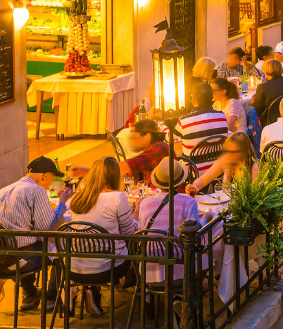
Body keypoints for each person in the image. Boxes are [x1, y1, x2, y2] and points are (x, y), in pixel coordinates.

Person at [0, 157, 73, 311]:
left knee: (23, 242)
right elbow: (47, 227)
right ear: (45, 176)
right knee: (61, 246)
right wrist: (62, 202)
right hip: (20, 259)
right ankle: (51, 298)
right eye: (53, 178)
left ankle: (29, 294)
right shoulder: (36, 190)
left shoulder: (3, 190)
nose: (52, 184)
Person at [65, 157, 136, 316]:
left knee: (98, 247)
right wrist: (136, 217)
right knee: (133, 249)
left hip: (75, 267)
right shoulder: (118, 197)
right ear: (114, 176)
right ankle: (142, 295)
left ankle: (92, 289)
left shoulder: (78, 196)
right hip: (108, 268)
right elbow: (128, 234)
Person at [135, 158, 203, 286]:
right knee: (207, 257)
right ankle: (192, 296)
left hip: (149, 275)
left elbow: (141, 235)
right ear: (181, 183)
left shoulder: (145, 204)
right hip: (182, 274)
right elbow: (196, 235)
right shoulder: (189, 202)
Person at [174, 82, 230, 171]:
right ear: (212, 98)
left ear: (194, 99)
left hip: (193, 173)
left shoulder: (184, 121)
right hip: (218, 170)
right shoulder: (222, 116)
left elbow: (169, 138)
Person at [185, 132, 259, 195]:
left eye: (234, 152)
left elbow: (255, 196)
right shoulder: (225, 160)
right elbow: (204, 179)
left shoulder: (253, 167)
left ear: (244, 152)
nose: (230, 155)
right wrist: (195, 186)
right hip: (224, 207)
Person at [252, 60, 283, 125]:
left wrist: (253, 103)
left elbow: (257, 110)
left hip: (270, 120)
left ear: (266, 71)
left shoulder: (262, 87)